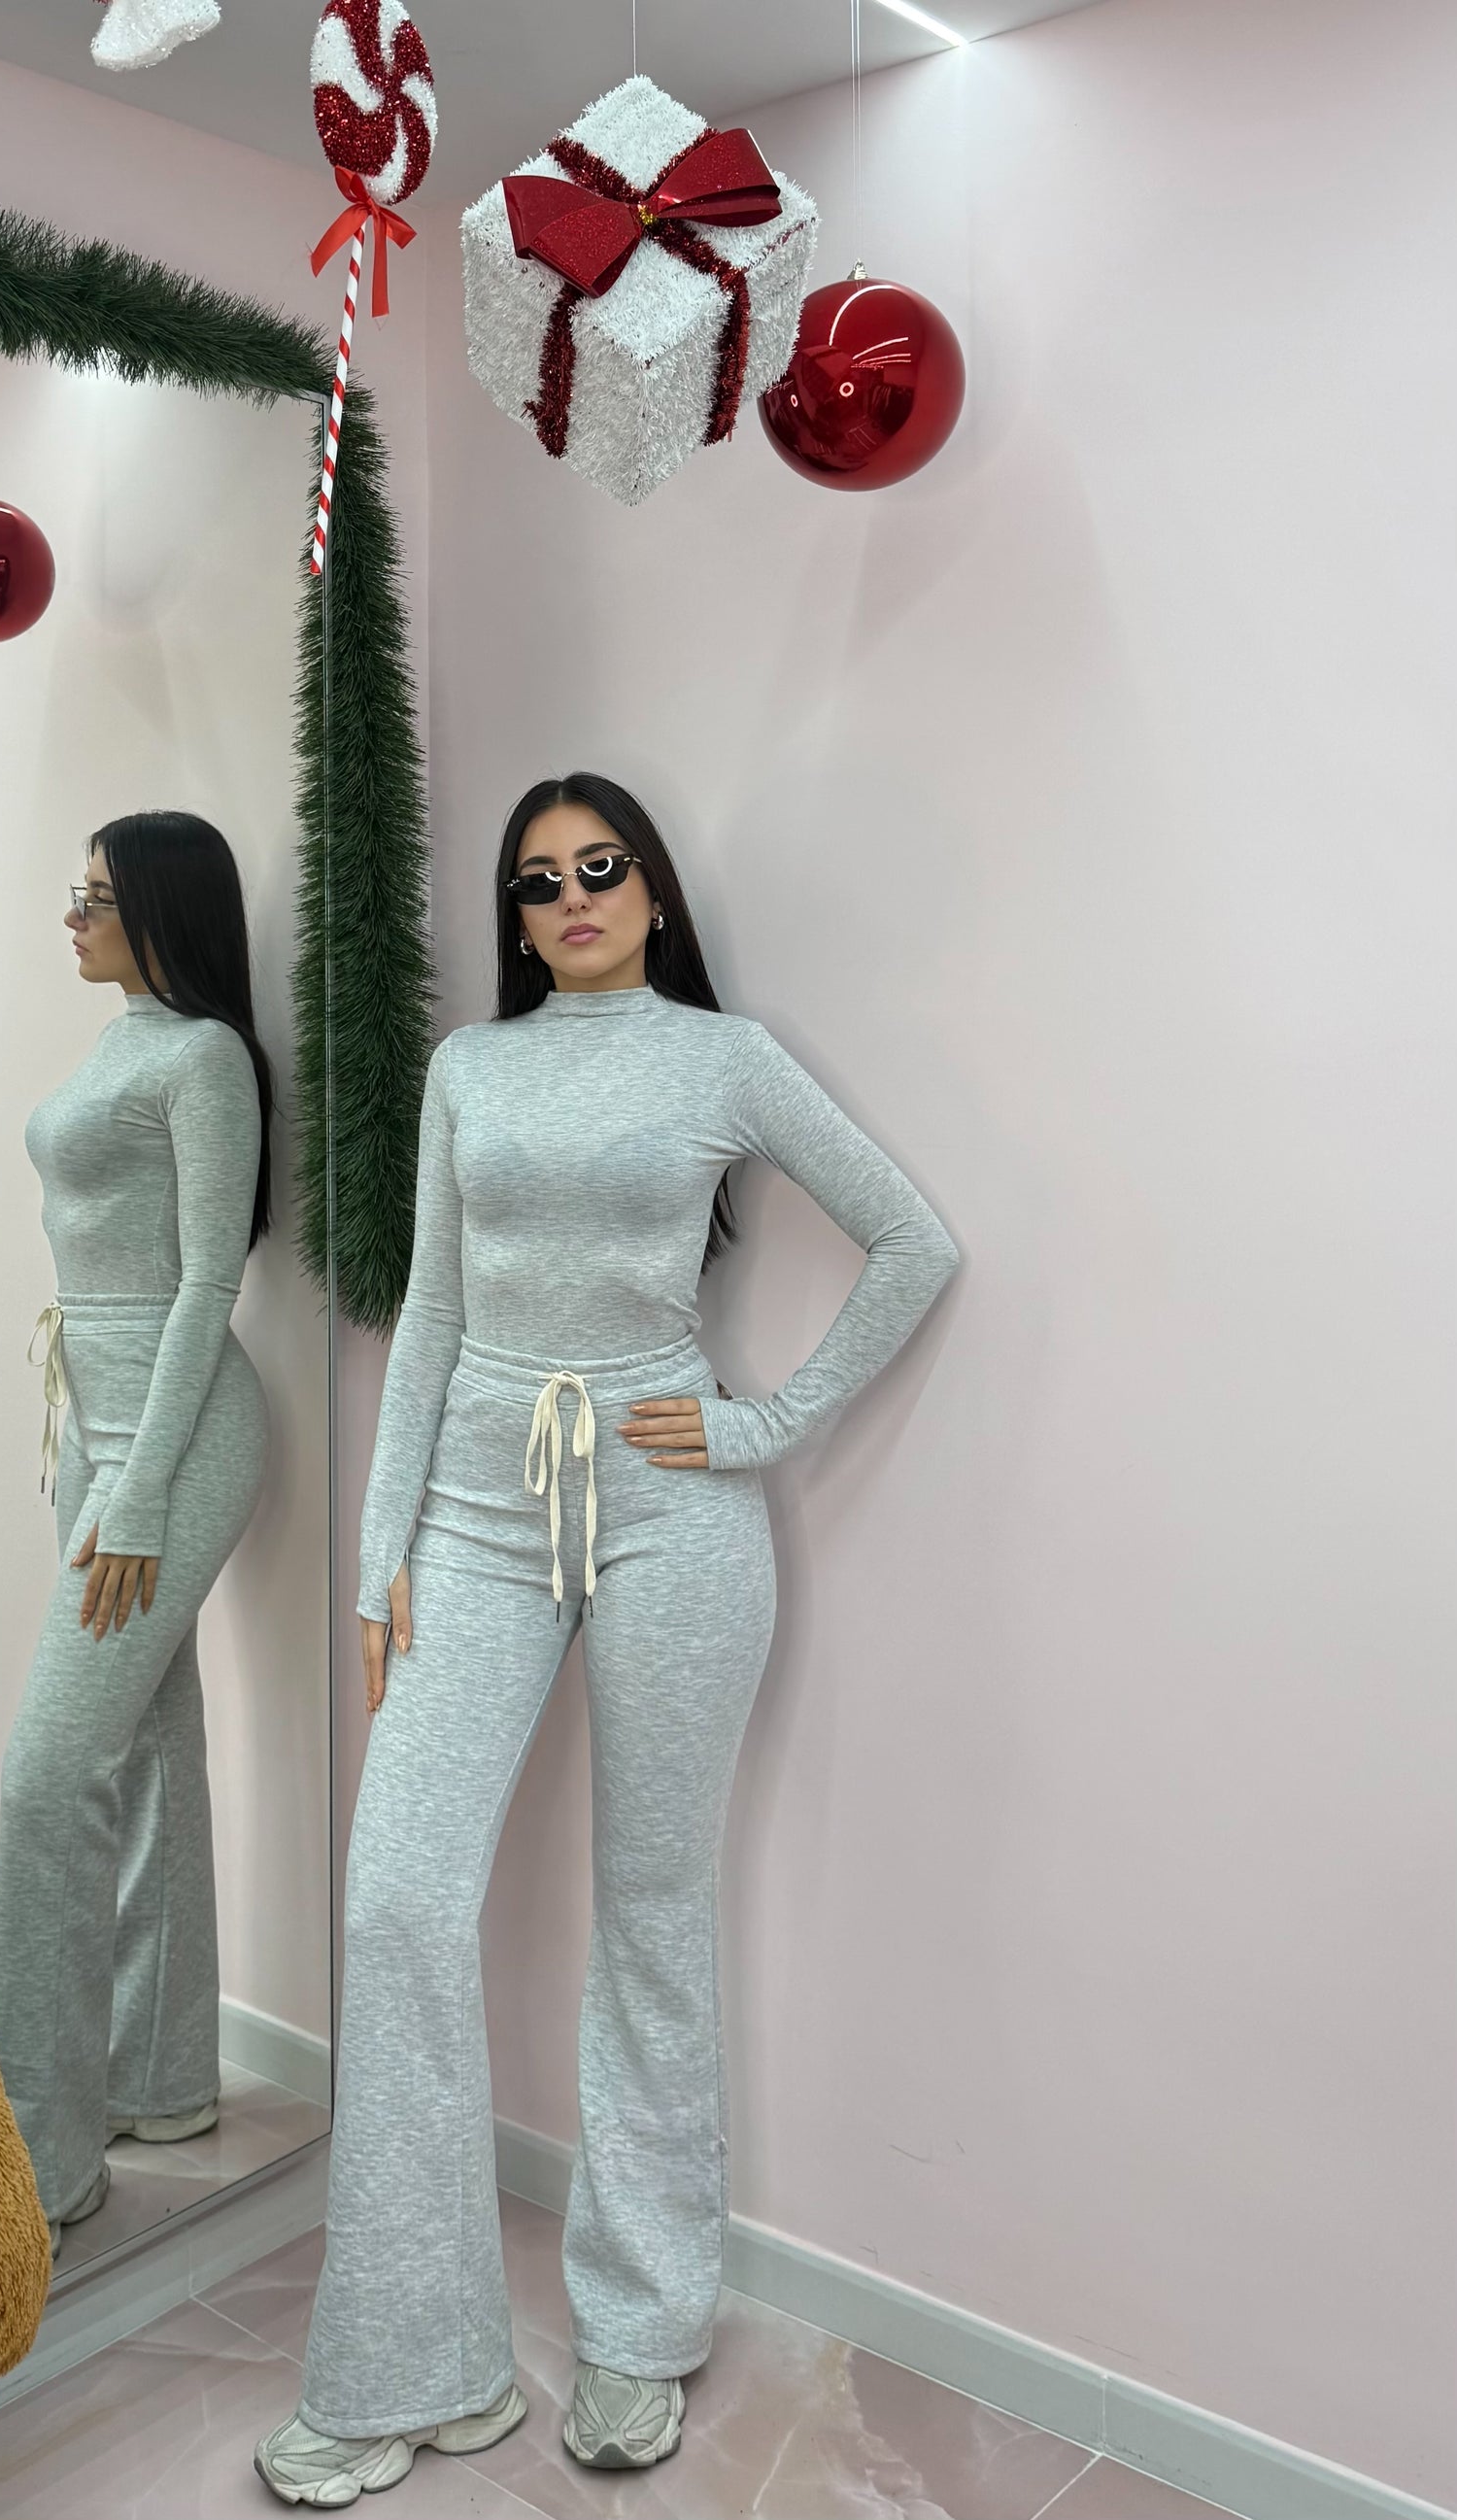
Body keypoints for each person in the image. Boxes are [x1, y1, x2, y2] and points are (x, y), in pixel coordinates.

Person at [254, 773, 959, 2504]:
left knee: (651, 1914)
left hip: (667, 1515)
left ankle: (641, 2328)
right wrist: (380, 1557)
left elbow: (912, 1239)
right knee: (396, 1900)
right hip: (477, 1517)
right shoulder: (469, 1069)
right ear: (514, 916)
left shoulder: (722, 1056)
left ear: (648, 892)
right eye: (537, 880)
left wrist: (757, 1424)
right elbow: (431, 1313)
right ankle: (415, 2363)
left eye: (600, 867)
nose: (570, 896)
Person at [0, 809, 273, 2254]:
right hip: (90, 1420)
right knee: (147, 1739)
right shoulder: (119, 1044)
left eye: (97, 895)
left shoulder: (203, 1057)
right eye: (75, 890)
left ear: (163, 905)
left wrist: (140, 1489)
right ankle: (157, 2079)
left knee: (49, 1774)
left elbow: (210, 1278)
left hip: (178, 1430)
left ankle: (29, 2156)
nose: (74, 915)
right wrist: (96, 1463)